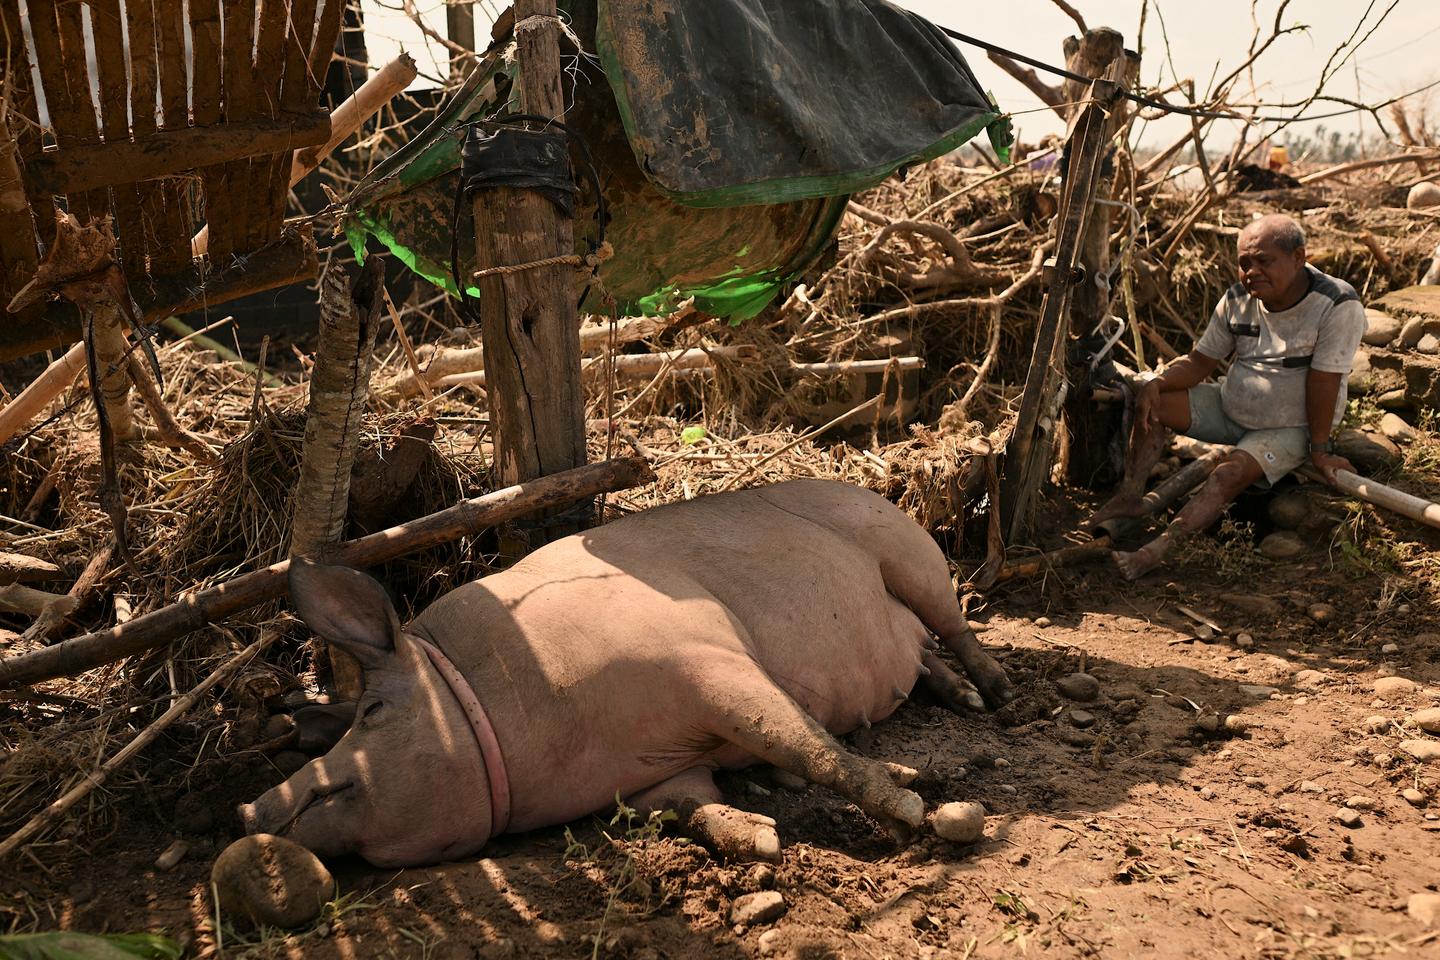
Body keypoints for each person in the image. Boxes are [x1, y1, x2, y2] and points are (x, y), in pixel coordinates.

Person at [1089, 213, 1366, 580]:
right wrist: (1157, 382)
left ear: (1298, 257)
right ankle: (1131, 493)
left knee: (1225, 476)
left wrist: (1320, 449)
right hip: (1230, 406)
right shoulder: (1238, 298)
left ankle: (1157, 550)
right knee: (1153, 401)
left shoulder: (1336, 303)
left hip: (1290, 424)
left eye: (1264, 261)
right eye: (1244, 263)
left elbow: (1324, 381)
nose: (1251, 271)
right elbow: (1202, 360)